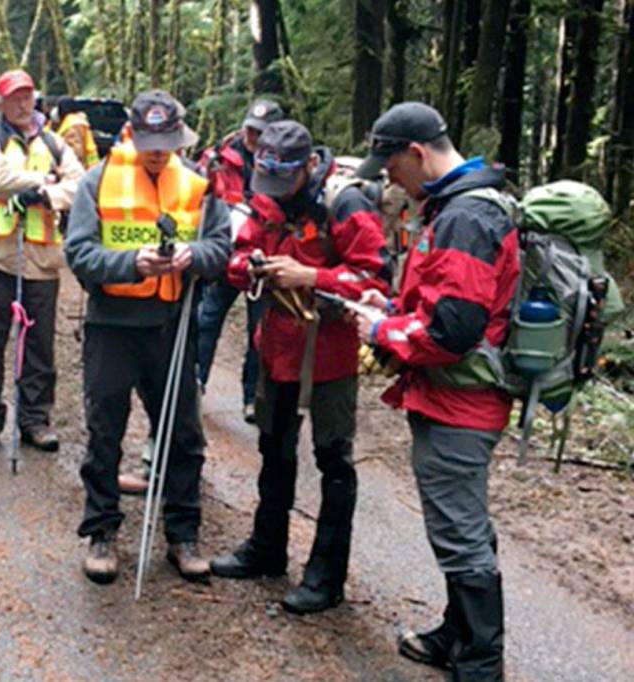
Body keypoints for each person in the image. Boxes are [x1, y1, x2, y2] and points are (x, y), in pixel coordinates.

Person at [353, 102, 519, 682]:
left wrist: (380, 331)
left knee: (460, 532)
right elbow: (445, 303)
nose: (390, 181)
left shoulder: (466, 217)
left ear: (417, 153)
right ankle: (457, 635)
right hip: (451, 395)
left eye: (392, 168)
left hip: (462, 404)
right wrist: (391, 308)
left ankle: (481, 666)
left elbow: (454, 330)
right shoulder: (457, 206)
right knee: (459, 524)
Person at [209, 120, 392, 616]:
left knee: (333, 459)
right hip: (277, 344)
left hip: (329, 352)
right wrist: (250, 267)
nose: (274, 190)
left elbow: (376, 279)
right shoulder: (267, 196)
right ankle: (267, 548)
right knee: (273, 446)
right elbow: (238, 251)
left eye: (283, 180)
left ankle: (326, 577)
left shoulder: (344, 204)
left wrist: (311, 275)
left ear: (308, 165)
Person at [65, 90, 232, 585]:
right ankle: (101, 531)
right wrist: (131, 263)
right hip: (112, 325)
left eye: (167, 142)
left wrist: (192, 256)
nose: (158, 152)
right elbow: (79, 252)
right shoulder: (97, 181)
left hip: (171, 325)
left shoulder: (198, 185)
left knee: (183, 434)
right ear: (132, 135)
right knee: (104, 431)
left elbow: (221, 248)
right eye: (149, 142)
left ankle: (183, 534)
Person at [0, 70, 84, 451]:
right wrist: (42, 180)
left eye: (27, 96)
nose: (22, 104)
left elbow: (79, 183)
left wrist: (47, 196)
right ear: (1, 101)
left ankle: (36, 419)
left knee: (40, 346)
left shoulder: (54, 142)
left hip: (42, 259)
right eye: (14, 97)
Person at [196, 100, 283, 423]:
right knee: (207, 320)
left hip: (263, 257)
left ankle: (251, 398)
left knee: (260, 330)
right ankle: (196, 385)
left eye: (260, 132)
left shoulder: (284, 163)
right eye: (250, 129)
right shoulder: (219, 157)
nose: (252, 136)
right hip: (225, 253)